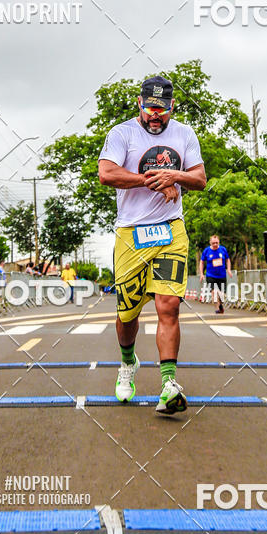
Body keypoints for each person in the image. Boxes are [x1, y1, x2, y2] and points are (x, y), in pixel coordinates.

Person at [98, 75, 206, 415]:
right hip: (131, 234)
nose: (155, 116)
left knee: (168, 305)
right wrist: (153, 180)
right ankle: (128, 362)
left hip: (171, 231)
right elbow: (106, 174)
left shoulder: (185, 134)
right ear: (139, 105)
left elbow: (199, 178)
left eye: (161, 110)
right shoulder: (122, 133)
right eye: (149, 109)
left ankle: (168, 384)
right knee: (127, 313)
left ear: (172, 107)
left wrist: (174, 176)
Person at [199, 235, 232, 313]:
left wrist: (229, 269)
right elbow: (202, 262)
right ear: (210, 242)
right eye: (213, 243)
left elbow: (227, 260)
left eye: (216, 243)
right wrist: (201, 273)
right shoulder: (206, 251)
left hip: (222, 275)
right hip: (210, 275)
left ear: (219, 242)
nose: (215, 245)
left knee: (222, 295)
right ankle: (217, 308)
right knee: (214, 292)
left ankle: (220, 306)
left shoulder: (223, 249)